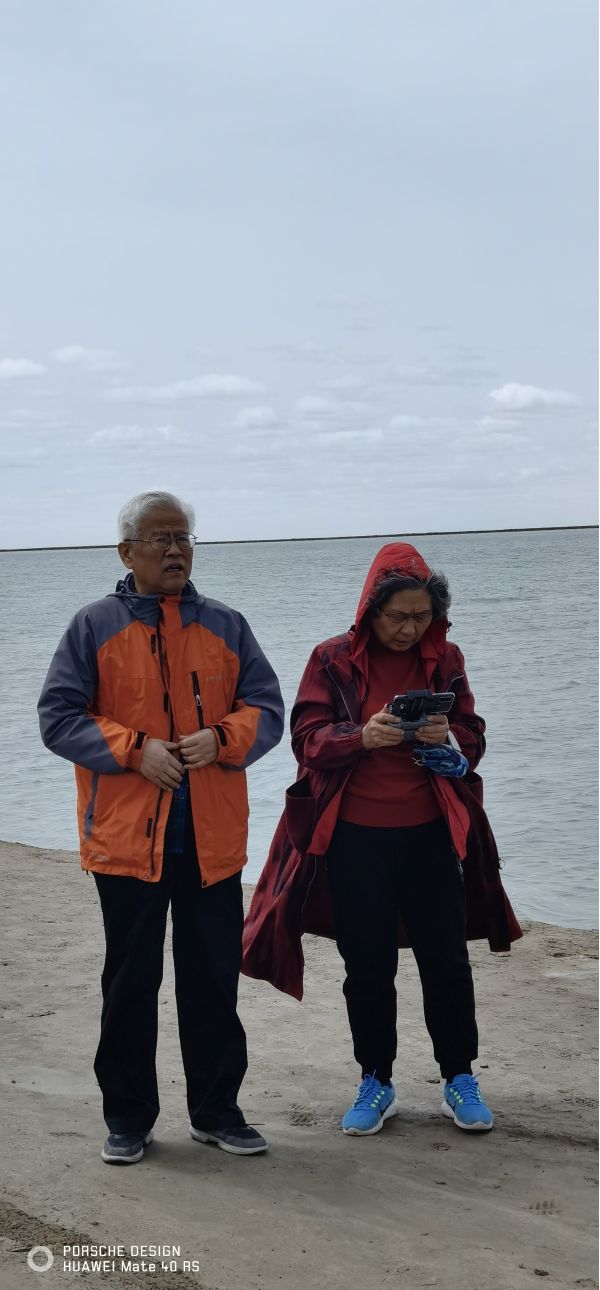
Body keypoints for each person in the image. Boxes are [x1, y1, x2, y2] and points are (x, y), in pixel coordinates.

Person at [243, 542, 522, 1137]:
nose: (409, 628)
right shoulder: (331, 659)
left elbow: (472, 732)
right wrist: (361, 736)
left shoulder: (446, 658)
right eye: (398, 616)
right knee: (367, 966)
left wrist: (452, 741)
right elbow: (307, 740)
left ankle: (459, 1077)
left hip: (431, 834)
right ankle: (376, 1079)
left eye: (422, 616)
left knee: (446, 961)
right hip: (353, 838)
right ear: (370, 610)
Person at [38, 491, 284, 1164]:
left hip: (212, 839)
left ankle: (217, 1112)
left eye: (184, 538)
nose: (176, 550)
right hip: (125, 841)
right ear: (127, 553)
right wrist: (134, 750)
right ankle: (128, 1119)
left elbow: (267, 709)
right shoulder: (93, 626)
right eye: (160, 539)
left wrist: (222, 738)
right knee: (129, 984)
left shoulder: (227, 624)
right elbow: (58, 718)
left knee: (213, 980)